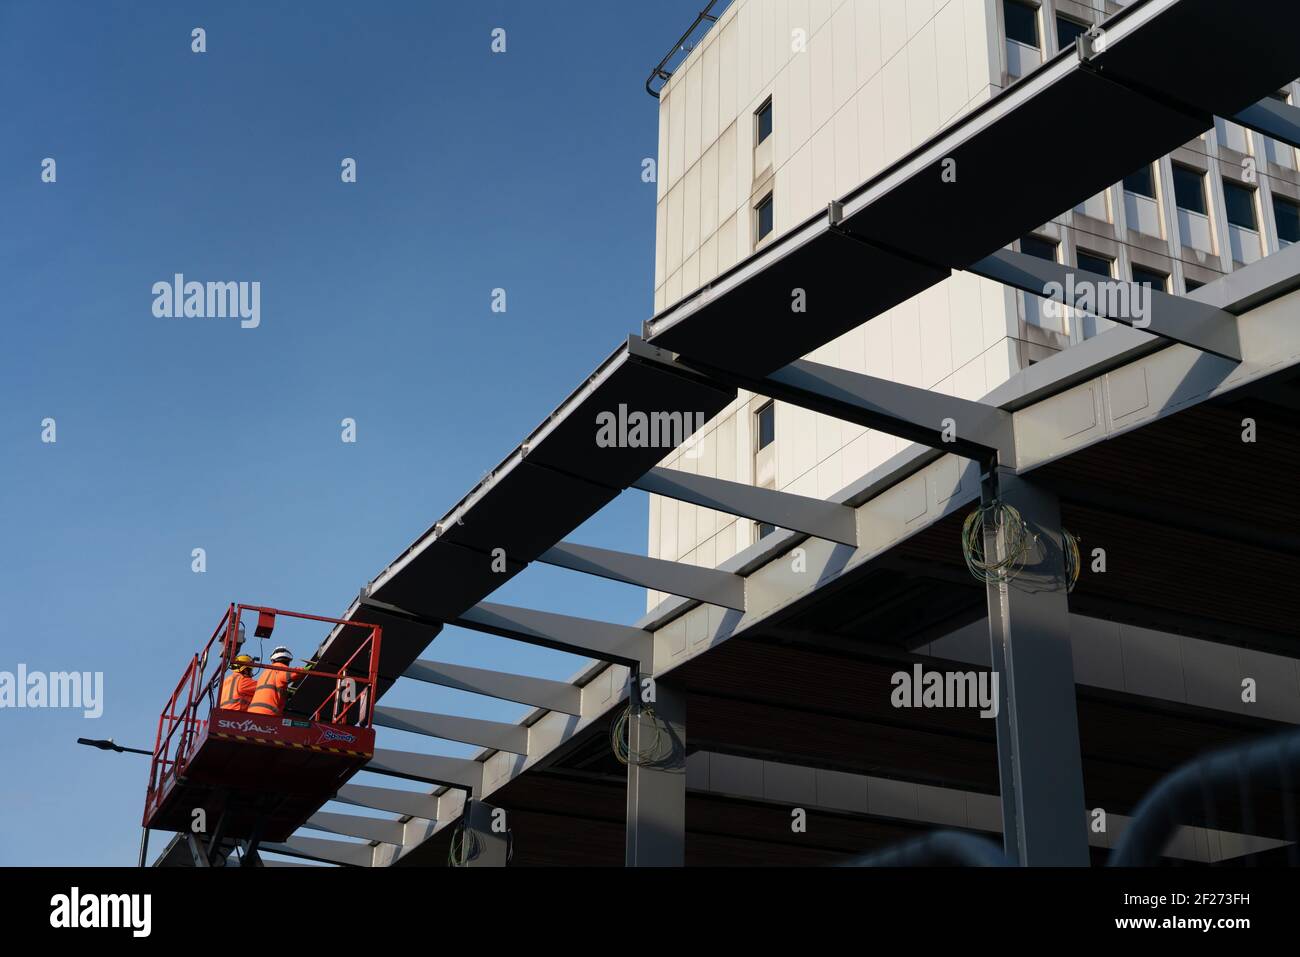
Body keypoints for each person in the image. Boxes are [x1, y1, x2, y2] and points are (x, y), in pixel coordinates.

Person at [247, 646, 299, 716]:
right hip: (267, 714)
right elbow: (294, 674)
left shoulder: (265, 673)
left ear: (273, 660)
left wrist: (286, 694)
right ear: (288, 660)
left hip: (251, 712)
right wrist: (305, 670)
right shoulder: (281, 668)